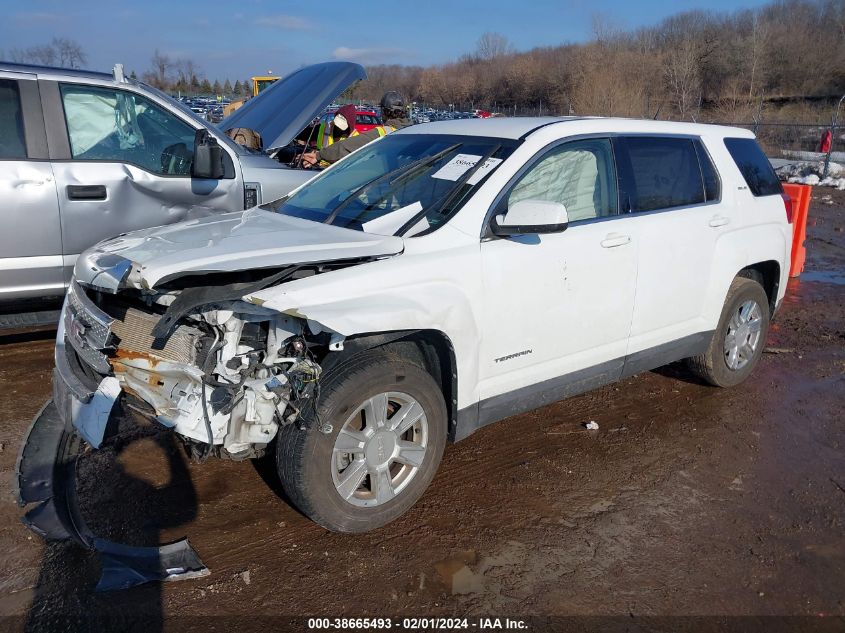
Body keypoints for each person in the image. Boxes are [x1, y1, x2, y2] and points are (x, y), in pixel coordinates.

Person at [301, 91, 411, 168]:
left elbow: (345, 147)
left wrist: (319, 155)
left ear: (383, 111)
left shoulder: (383, 133)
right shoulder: (415, 130)